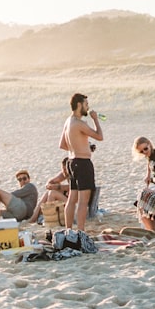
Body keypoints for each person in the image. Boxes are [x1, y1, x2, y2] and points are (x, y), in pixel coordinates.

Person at [59, 92, 103, 231]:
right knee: (83, 201)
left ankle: (68, 229)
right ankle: (81, 231)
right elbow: (99, 136)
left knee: (72, 198)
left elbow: (63, 144)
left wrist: (81, 146)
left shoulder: (68, 121)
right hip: (83, 163)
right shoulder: (79, 123)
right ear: (79, 105)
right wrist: (96, 119)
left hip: (72, 162)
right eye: (86, 104)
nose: (88, 107)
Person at [28, 157, 71, 224]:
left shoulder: (74, 175)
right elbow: (51, 181)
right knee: (48, 193)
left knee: (52, 193)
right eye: (63, 169)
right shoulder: (64, 174)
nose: (64, 171)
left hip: (73, 202)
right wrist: (50, 185)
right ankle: (34, 218)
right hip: (67, 198)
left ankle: (47, 217)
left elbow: (72, 188)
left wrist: (58, 187)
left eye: (65, 169)